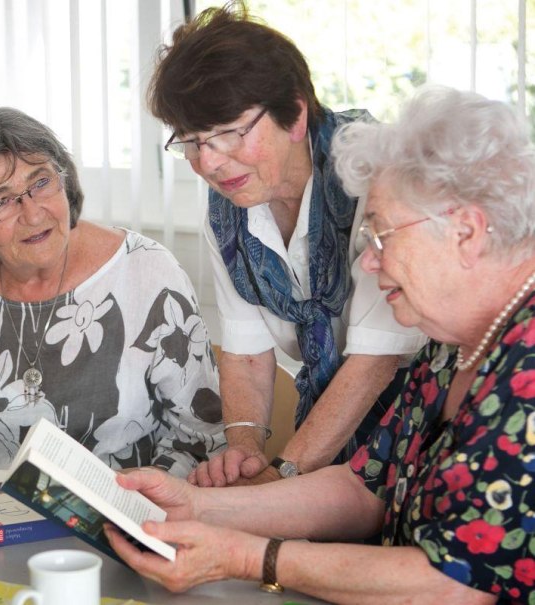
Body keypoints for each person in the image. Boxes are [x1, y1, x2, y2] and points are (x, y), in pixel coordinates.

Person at [105, 86, 535, 603]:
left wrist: (247, 556)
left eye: (380, 237)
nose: (369, 264)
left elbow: (453, 585)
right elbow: (363, 487)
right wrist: (195, 507)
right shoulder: (456, 348)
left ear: (466, 232)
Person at [147, 2, 427, 487]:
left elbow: (375, 360)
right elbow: (247, 352)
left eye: (229, 134)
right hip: (323, 445)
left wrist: (282, 474)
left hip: (422, 427)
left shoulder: (377, 178)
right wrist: (245, 453)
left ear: (295, 115)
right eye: (191, 142)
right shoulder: (227, 209)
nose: (209, 163)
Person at [0, 107, 224, 476]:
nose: (33, 214)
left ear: (64, 183)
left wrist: (135, 508)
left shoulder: (147, 273)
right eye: (1, 200)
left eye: (40, 183)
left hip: (114, 517)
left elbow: (199, 440)